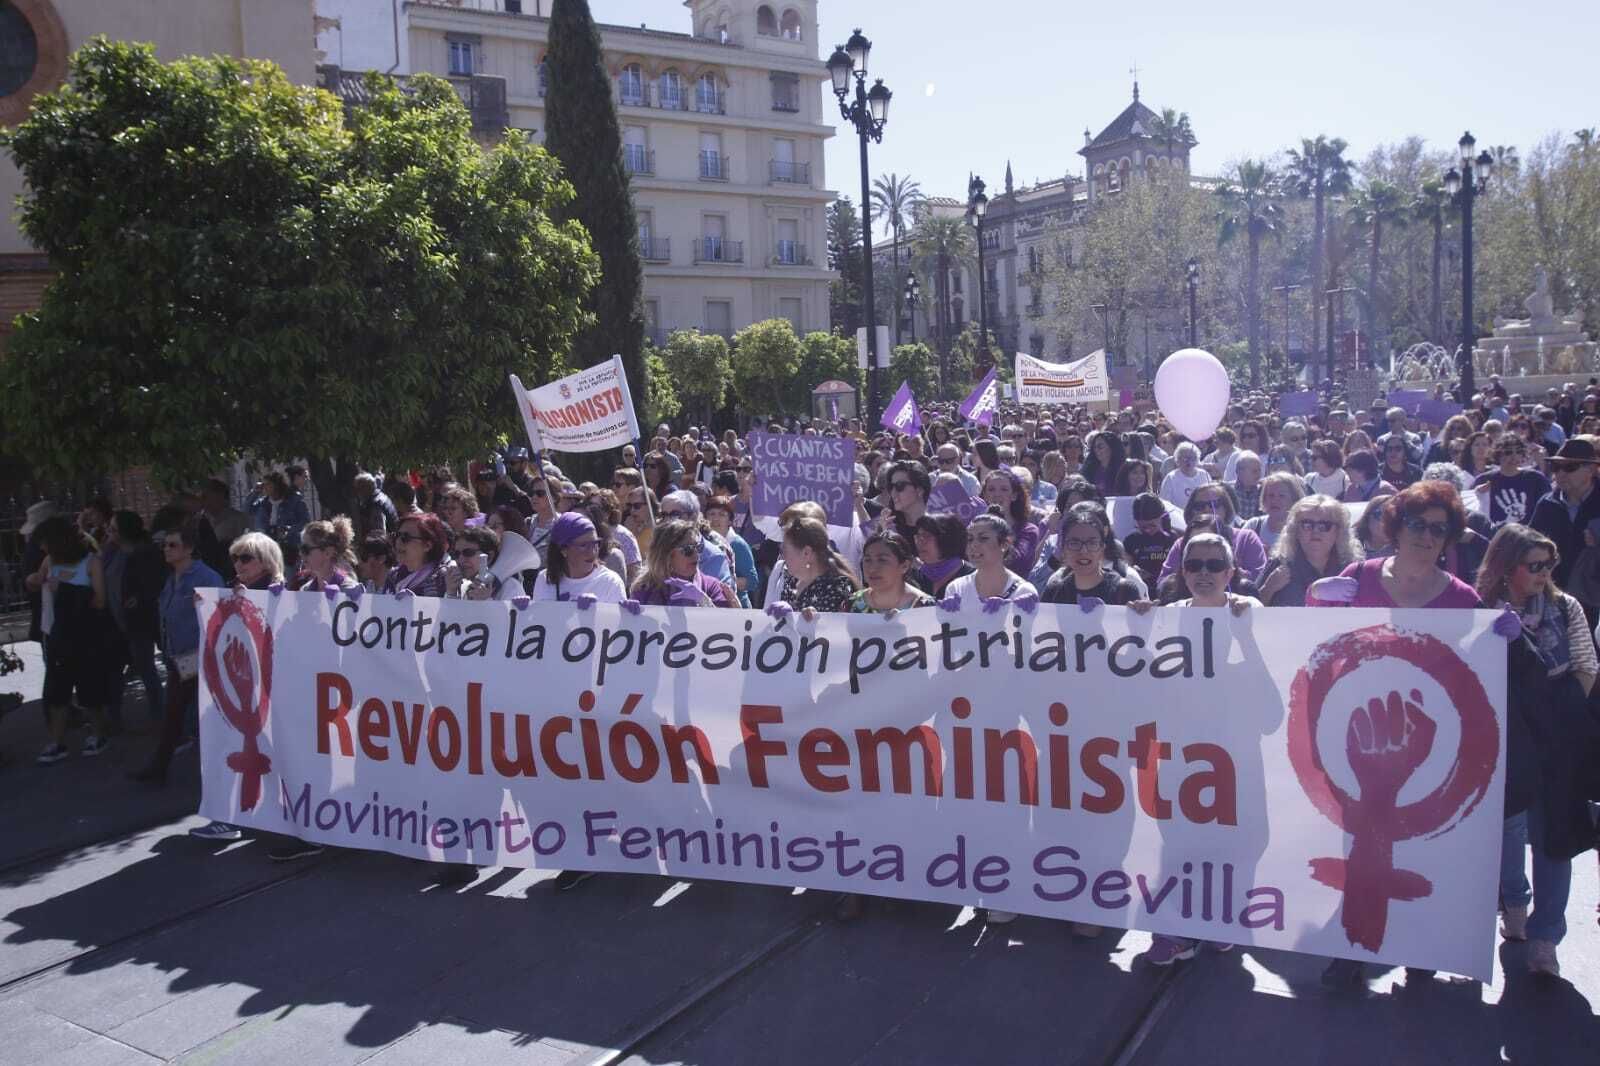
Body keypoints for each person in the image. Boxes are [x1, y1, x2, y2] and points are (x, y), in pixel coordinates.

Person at [1477, 524, 1597, 977]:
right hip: (1505, 737)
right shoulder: (1482, 607)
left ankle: (1546, 937)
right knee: (1508, 830)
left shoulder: (1566, 608)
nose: (1544, 573)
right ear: (1508, 568)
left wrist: (1560, 714)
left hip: (1557, 741)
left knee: (1553, 838)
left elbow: (1586, 664)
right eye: (1535, 566)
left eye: (1550, 564)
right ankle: (1514, 904)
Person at [1145, 530, 1255, 967]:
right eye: (1195, 565)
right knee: (1177, 842)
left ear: (1231, 572)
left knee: (1229, 843)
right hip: (1179, 752)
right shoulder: (1165, 616)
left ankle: (1220, 920)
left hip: (1235, 753)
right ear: (1181, 571)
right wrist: (1136, 621)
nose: (1204, 574)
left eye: (1214, 566)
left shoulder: (1252, 613)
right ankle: (1176, 931)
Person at [128, 522, 224, 788]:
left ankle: (166, 767)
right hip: (177, 657)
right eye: (165, 545)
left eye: (173, 545)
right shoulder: (173, 578)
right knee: (178, 715)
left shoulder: (206, 578)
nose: (167, 550)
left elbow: (219, 616)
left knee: (192, 714)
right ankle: (162, 765)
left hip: (198, 658)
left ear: (189, 549)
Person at [1310, 481, 1480, 609]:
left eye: (1439, 529)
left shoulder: (1463, 598)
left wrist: (1503, 639)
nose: (1427, 535)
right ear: (1397, 528)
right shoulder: (1358, 576)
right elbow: (1312, 627)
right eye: (1416, 525)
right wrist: (1315, 593)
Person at [28, 516, 115, 764]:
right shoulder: (48, 561)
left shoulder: (91, 563)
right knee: (57, 692)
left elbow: (99, 601)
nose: (42, 549)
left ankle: (99, 734)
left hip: (86, 636)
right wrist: (33, 581)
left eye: (45, 543)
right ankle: (57, 741)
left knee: (90, 689)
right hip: (57, 636)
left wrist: (65, 587)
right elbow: (37, 582)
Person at [1529, 438, 1600, 625]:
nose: (1560, 473)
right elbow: (1530, 543)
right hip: (1554, 596)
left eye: (1569, 467)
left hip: (1595, 599)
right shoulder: (1546, 504)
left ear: (1592, 470)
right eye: (1556, 467)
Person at [1256, 495, 1358, 607]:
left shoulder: (1353, 569)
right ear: (1295, 531)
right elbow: (1252, 609)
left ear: (1339, 531)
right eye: (1307, 525)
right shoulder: (1278, 564)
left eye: (1324, 526)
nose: (1315, 532)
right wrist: (1268, 588)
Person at [1157, 483, 1267, 585]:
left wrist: (1227, 570)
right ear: (1191, 511)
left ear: (1226, 508)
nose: (1207, 509)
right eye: (1200, 506)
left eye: (1215, 504)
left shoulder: (1246, 539)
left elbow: (1259, 579)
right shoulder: (1181, 544)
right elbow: (1162, 584)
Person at [1041, 503, 1142, 606]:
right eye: (1075, 543)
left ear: (1102, 548)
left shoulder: (1126, 590)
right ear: (1064, 549)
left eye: (1091, 543)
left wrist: (1143, 612)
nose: (1083, 551)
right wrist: (1030, 613)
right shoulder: (1054, 591)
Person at [632, 518, 733, 607]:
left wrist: (703, 600)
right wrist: (627, 615)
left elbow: (723, 625)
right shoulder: (644, 588)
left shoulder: (712, 587)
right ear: (666, 555)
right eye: (688, 549)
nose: (696, 555)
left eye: (698, 547)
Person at [531, 512, 627, 603]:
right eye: (583, 545)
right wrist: (524, 612)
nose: (592, 551)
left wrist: (595, 611)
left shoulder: (610, 582)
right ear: (563, 550)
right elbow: (538, 619)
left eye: (595, 543)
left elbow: (618, 620)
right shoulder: (544, 579)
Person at [772, 516, 859, 615]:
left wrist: (815, 620)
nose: (782, 556)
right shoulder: (790, 581)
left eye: (785, 550)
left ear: (806, 553)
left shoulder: (837, 587)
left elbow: (836, 628)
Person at [850, 532, 936, 615]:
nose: (872, 569)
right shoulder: (851, 604)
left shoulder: (927, 608)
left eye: (882, 560)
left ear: (904, 566)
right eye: (868, 560)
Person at [1479, 434, 1550, 528]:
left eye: (1518, 452)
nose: (1514, 456)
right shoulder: (1483, 480)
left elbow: (1547, 511)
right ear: (1498, 454)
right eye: (1508, 453)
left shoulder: (1536, 479)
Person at [981, 469, 1042, 575]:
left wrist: (999, 528)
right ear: (985, 496)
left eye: (1004, 489)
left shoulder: (1028, 530)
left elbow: (1019, 564)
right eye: (991, 489)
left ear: (1014, 495)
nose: (997, 494)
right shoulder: (975, 528)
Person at [705, 495, 757, 607]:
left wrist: (722, 583)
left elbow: (753, 582)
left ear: (730, 521)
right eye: (712, 514)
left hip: (738, 608)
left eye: (722, 514)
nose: (716, 519)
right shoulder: (701, 543)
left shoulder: (737, 544)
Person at [382, 513, 450, 598]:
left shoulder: (443, 578)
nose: (398, 542)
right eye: (397, 536)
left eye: (405, 537)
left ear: (427, 546)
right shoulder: (393, 576)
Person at [1123, 493, 1177, 591]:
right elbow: (1125, 567)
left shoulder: (1174, 538)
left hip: (1169, 589)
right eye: (1143, 527)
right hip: (1142, 588)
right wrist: (1133, 571)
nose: (1148, 530)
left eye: (1152, 525)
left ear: (1162, 518)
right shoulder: (1131, 540)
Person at [913, 514, 974, 598]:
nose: (919, 542)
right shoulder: (914, 578)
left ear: (946, 539)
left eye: (926, 536)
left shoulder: (972, 578)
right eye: (918, 536)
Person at [291, 518, 359, 591]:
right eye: (301, 548)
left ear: (328, 553)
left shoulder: (349, 589)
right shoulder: (305, 590)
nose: (301, 554)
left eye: (306, 549)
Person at [1159, 442, 1212, 508]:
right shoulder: (1171, 478)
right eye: (1185, 458)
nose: (1188, 461)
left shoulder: (1204, 475)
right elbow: (1165, 503)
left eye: (1192, 458)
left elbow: (1211, 498)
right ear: (1178, 460)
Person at [352, 472, 398, 544]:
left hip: (385, 548)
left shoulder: (376, 505)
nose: (357, 494)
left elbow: (379, 535)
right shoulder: (381, 496)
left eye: (358, 490)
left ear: (364, 489)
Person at [1080, 431, 1126, 496]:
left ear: (1112, 447)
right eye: (1094, 447)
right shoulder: (1089, 470)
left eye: (1100, 447)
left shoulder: (1124, 469)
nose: (1096, 450)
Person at [1228, 451, 1264, 521]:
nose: (1258, 475)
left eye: (1259, 470)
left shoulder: (1263, 491)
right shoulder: (1228, 491)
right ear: (1239, 471)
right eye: (1254, 471)